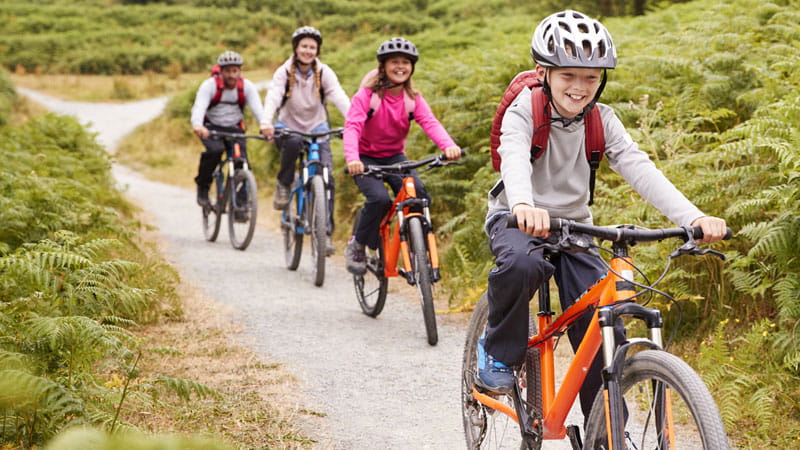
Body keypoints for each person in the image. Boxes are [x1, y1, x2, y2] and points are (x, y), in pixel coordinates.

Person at [480, 10, 728, 424]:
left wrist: (695, 216)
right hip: (516, 218)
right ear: (544, 72)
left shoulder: (601, 120)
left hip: (575, 227)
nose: (580, 87)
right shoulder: (524, 109)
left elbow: (641, 169)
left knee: (602, 320)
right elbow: (513, 156)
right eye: (568, 76)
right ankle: (498, 353)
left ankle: (608, 428)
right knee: (523, 264)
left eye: (591, 78)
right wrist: (523, 204)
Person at [343, 37, 462, 275]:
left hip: (395, 156)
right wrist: (353, 159)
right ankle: (357, 244)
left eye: (406, 62)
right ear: (383, 66)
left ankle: (420, 248)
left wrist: (449, 146)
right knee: (379, 200)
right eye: (394, 62)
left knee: (419, 195)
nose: (400, 67)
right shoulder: (367, 96)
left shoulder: (412, 99)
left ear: (412, 67)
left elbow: (430, 123)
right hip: (365, 158)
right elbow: (352, 126)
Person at [260, 26, 350, 254]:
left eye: (312, 47)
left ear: (317, 50)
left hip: (317, 127)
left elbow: (338, 96)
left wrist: (353, 122)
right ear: (296, 48)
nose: (308, 51)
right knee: (291, 143)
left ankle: (325, 234)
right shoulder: (284, 72)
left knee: (327, 178)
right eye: (304, 46)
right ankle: (284, 183)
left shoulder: (324, 72)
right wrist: (265, 122)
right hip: (288, 126)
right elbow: (273, 96)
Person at [191, 50, 264, 207]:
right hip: (211, 128)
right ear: (220, 71)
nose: (231, 75)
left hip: (234, 129)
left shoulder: (247, 87)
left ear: (240, 71)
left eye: (234, 71)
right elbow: (199, 107)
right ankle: (203, 187)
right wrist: (198, 125)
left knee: (242, 162)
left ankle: (241, 204)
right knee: (214, 152)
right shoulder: (209, 86)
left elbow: (259, 111)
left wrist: (266, 126)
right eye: (227, 71)